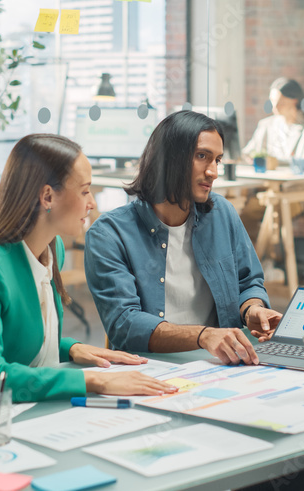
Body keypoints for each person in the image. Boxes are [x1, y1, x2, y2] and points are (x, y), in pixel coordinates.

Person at [0, 134, 177, 402]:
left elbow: (22, 341)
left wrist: (72, 348)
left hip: (24, 410)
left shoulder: (53, 251)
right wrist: (92, 380)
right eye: (85, 190)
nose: (92, 203)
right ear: (48, 196)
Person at [85, 110, 283, 364]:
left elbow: (248, 282)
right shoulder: (109, 234)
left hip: (220, 364)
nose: (213, 172)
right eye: (202, 157)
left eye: (217, 160)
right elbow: (125, 324)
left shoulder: (222, 214)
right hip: (150, 368)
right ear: (169, 159)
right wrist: (203, 336)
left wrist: (252, 310)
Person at [242, 78, 304, 166]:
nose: (275, 107)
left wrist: (273, 162)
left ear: (294, 100)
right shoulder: (266, 125)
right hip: (267, 178)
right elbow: (246, 153)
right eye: (273, 101)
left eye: (280, 102)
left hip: (294, 179)